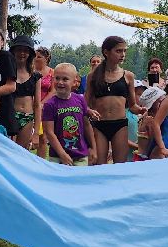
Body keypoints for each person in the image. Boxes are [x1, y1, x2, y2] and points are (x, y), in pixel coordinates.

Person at [84, 35, 138, 165]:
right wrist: (89, 110)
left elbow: (132, 106)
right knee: (100, 164)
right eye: (118, 51)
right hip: (99, 125)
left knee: (120, 165)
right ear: (106, 52)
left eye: (124, 51)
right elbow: (85, 103)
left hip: (119, 125)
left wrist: (142, 109)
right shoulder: (93, 76)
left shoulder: (128, 76)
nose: (123, 54)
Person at [42, 62, 89, 165]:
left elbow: (86, 125)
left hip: (80, 155)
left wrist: (93, 147)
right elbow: (49, 132)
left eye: (65, 79)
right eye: (57, 78)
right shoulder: (49, 105)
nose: (60, 82)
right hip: (57, 157)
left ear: (74, 82)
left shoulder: (80, 100)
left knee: (79, 180)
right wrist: (62, 154)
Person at [8, 36, 41, 152]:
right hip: (11, 115)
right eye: (19, 50)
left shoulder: (35, 76)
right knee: (9, 151)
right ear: (13, 51)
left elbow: (37, 105)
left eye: (25, 50)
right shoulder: (8, 72)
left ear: (30, 54)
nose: (22, 53)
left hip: (27, 117)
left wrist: (36, 133)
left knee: (22, 153)